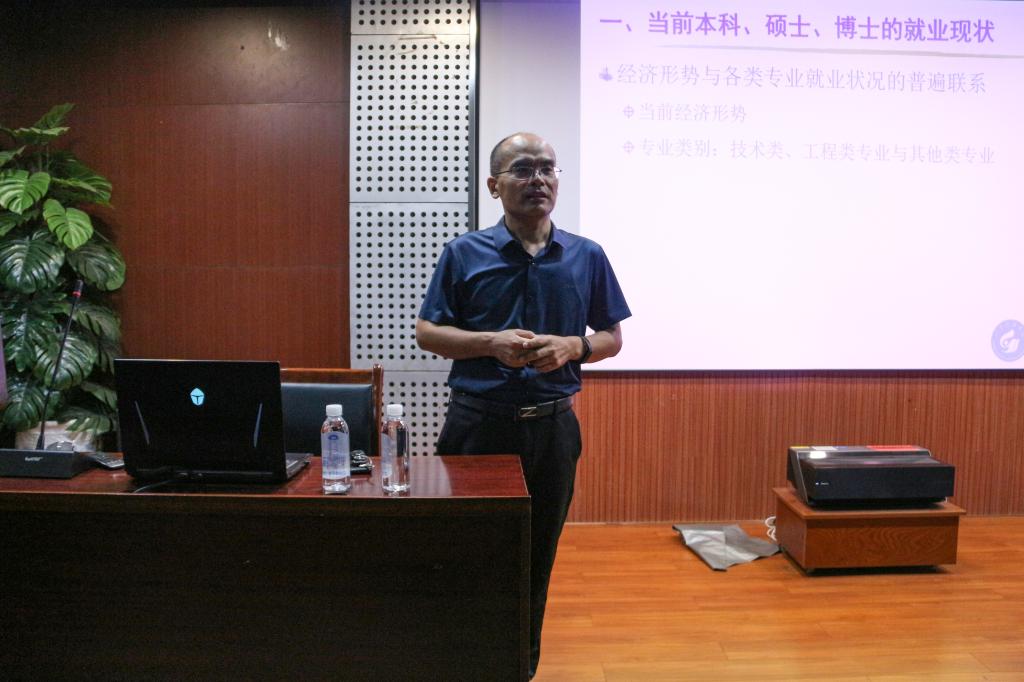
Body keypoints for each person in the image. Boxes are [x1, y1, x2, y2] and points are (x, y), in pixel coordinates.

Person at [416, 132, 631, 678]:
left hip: (551, 432)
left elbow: (612, 337)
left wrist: (574, 346)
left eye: (547, 168)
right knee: (466, 553)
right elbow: (428, 333)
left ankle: (520, 667)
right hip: (477, 427)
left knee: (538, 556)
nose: (538, 178)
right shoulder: (464, 253)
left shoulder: (586, 255)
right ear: (494, 185)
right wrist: (490, 343)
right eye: (523, 169)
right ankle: (460, 663)